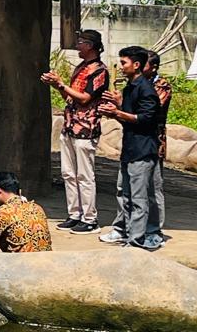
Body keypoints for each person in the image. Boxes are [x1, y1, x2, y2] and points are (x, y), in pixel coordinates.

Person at [41, 28, 108, 235]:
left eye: (80, 42)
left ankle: (90, 218)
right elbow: (71, 98)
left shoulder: (99, 71)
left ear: (90, 45)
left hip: (86, 129)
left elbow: (85, 98)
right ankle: (75, 214)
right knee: (68, 174)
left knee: (84, 175)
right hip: (70, 126)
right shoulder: (80, 67)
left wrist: (60, 83)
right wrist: (58, 86)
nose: (77, 46)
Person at [97, 46, 160, 250]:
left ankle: (137, 239)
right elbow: (129, 118)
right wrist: (115, 109)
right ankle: (124, 231)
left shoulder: (147, 89)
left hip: (143, 150)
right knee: (123, 192)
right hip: (130, 149)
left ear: (137, 65)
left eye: (124, 63)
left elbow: (145, 119)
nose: (121, 66)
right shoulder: (130, 87)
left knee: (139, 197)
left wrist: (118, 112)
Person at [0, 171, 53, 253]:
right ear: (19, 191)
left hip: (21, 264)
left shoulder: (1, 213)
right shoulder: (37, 208)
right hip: (46, 262)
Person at [144, 50, 171, 247]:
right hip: (137, 140)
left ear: (153, 67)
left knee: (154, 185)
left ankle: (155, 230)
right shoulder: (138, 82)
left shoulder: (162, 86)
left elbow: (151, 109)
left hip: (154, 141)